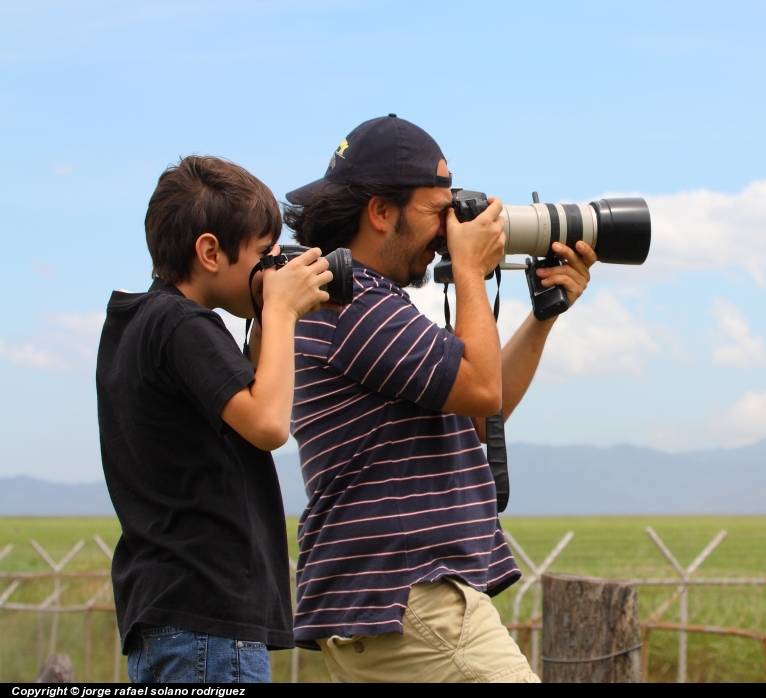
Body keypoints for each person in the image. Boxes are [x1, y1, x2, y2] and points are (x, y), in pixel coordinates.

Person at [283, 114, 597, 682]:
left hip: (389, 603)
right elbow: (480, 387)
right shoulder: (355, 305)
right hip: (413, 597)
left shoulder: (353, 300)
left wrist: (542, 318)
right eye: (438, 211)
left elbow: (478, 416)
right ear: (380, 212)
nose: (449, 228)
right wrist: (473, 271)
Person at [96, 155, 332, 683]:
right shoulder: (183, 323)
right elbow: (269, 424)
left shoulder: (139, 323)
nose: (275, 265)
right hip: (207, 626)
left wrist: (266, 317)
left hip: (175, 617)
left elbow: (244, 399)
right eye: (263, 251)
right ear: (209, 251)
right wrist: (281, 312)